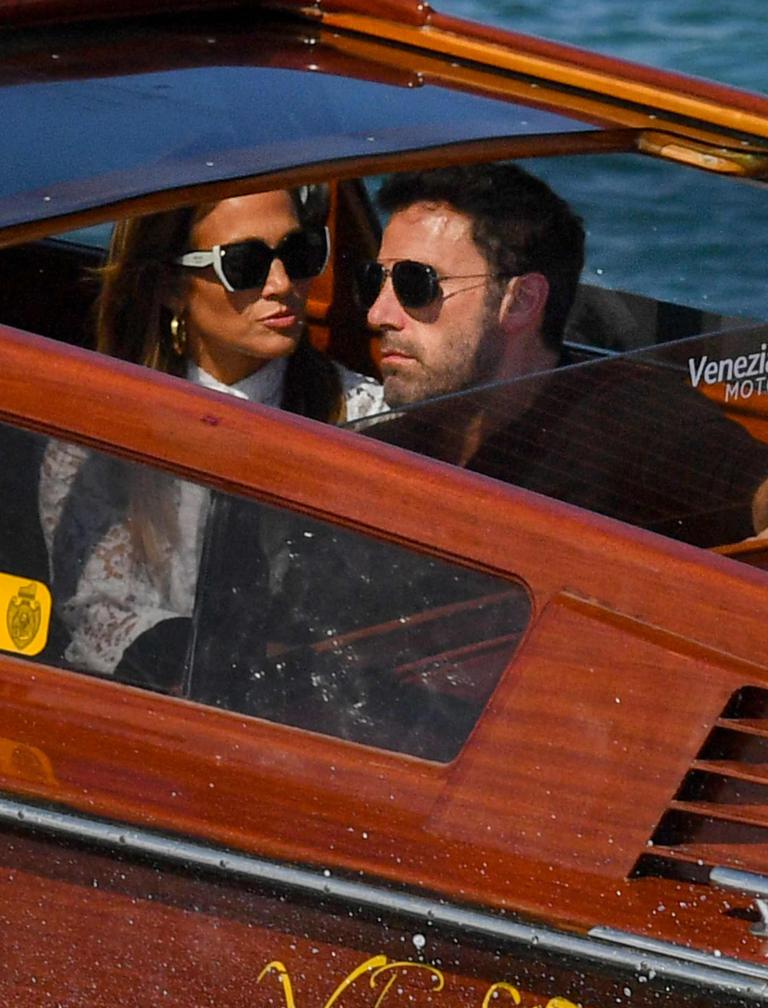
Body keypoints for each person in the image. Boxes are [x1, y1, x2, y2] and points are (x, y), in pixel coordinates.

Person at [39, 187, 387, 683]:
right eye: (244, 264)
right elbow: (103, 614)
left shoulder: (364, 420)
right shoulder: (94, 439)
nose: (282, 283)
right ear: (171, 286)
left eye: (299, 251)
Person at [358, 163, 768, 546]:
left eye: (417, 284)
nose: (379, 314)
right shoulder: (385, 450)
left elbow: (755, 491)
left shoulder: (635, 423)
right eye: (376, 280)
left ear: (521, 301)